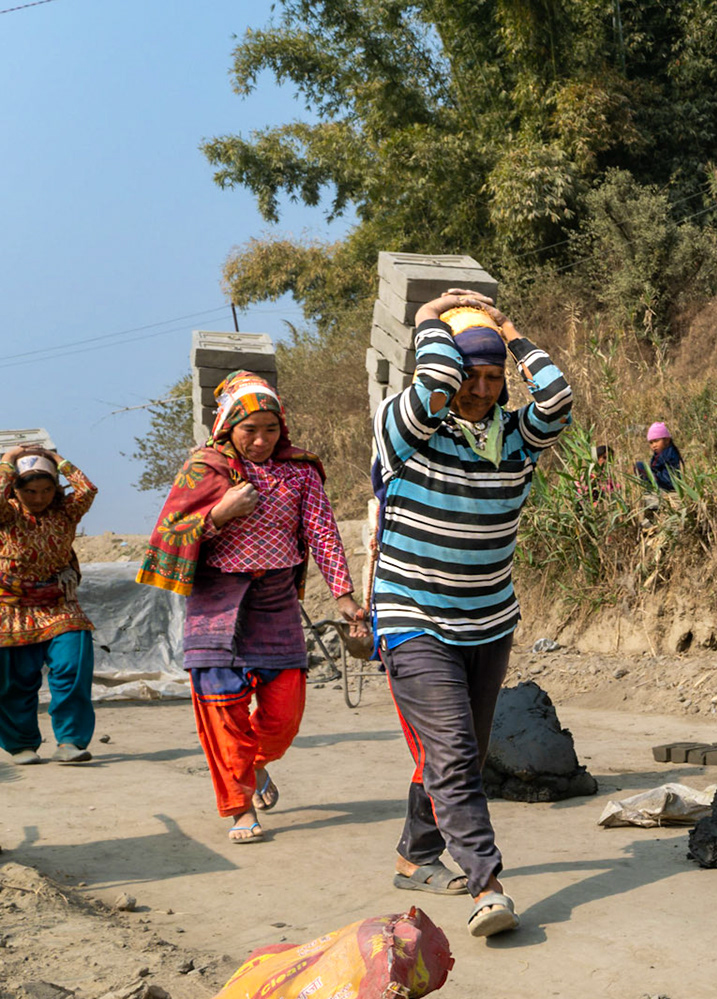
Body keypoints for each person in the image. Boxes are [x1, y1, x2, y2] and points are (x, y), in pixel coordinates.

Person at [371, 289, 572, 940]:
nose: (480, 390)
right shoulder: (405, 428)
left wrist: (510, 331)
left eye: (492, 379)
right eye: (469, 376)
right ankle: (486, 882)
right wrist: (429, 322)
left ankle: (414, 853)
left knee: (463, 751)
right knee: (455, 752)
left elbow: (557, 397)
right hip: (414, 616)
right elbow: (431, 384)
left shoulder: (513, 438)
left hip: (489, 620)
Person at [140, 372, 366, 841]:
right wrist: (219, 513)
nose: (261, 440)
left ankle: (256, 764)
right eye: (250, 430)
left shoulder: (301, 471)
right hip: (215, 604)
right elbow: (165, 537)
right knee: (223, 710)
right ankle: (240, 807)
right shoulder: (203, 470)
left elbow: (322, 532)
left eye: (270, 429)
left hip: (276, 601)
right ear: (228, 427)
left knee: (285, 714)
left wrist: (343, 596)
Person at [0, 445, 98, 765]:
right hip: (11, 608)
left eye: (46, 490)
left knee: (72, 666)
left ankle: (70, 740)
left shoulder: (66, 512)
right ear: (15, 488)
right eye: (30, 491)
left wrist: (57, 459)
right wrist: (8, 460)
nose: (38, 498)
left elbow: (87, 489)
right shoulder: (7, 513)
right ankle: (21, 744)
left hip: (58, 604)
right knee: (16, 680)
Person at [641, 421, 682, 491]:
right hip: (666, 480)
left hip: (667, 481)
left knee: (640, 466)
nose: (654, 445)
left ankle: (651, 486)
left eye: (656, 441)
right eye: (651, 443)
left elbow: (654, 467)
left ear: (667, 440)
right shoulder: (667, 451)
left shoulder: (667, 453)